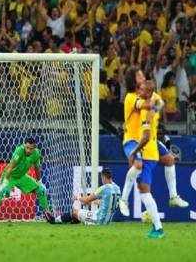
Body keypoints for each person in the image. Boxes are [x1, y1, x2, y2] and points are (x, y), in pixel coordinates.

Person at [119, 67, 188, 216]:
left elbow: (161, 102)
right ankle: (123, 199)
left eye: (142, 74)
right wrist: (153, 106)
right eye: (139, 75)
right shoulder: (131, 97)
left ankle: (173, 196)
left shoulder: (148, 94)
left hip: (148, 140)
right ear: (133, 80)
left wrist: (155, 105)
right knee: (138, 165)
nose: (142, 76)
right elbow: (148, 104)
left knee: (169, 159)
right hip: (132, 139)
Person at [128, 80, 164, 239]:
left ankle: (158, 228)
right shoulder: (153, 102)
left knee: (144, 193)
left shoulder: (147, 113)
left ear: (148, 92)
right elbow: (160, 101)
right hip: (150, 154)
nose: (139, 91)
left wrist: (134, 151)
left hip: (148, 154)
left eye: (142, 90)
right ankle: (156, 226)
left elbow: (146, 137)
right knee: (143, 192)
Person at [0, 138, 52, 222]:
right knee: (1, 192)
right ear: (24, 145)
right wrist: (5, 183)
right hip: (10, 176)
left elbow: (37, 168)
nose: (28, 150)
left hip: (22, 176)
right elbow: (10, 166)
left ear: (34, 147)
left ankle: (48, 214)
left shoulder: (36, 154)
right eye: (27, 147)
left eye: (31, 149)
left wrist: (40, 183)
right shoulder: (19, 151)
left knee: (40, 190)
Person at [47, 168, 120, 225]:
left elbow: (85, 200)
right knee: (80, 213)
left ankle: (54, 220)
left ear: (103, 177)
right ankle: (74, 220)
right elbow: (106, 203)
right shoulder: (117, 188)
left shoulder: (103, 188)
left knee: (73, 211)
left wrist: (77, 197)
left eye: (101, 178)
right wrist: (93, 202)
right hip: (107, 221)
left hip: (98, 220)